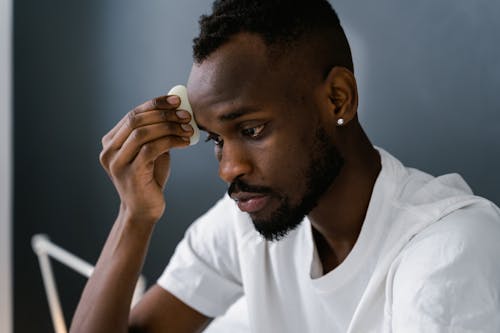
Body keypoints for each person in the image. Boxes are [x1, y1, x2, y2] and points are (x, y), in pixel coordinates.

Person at [70, 0, 500, 332]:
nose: (228, 169)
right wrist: (135, 216)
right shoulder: (247, 223)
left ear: (338, 99)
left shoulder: (447, 249)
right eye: (217, 140)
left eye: (252, 130)